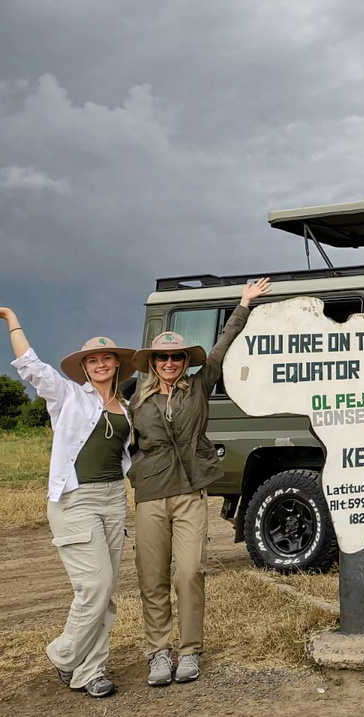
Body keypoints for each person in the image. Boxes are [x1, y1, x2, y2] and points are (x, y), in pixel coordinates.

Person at [0, 302, 135, 698]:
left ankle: (90, 672)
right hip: (75, 500)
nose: (99, 364)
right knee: (94, 586)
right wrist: (12, 320)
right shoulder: (67, 396)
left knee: (105, 589)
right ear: (84, 367)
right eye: (92, 360)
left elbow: (136, 455)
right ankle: (64, 655)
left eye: (106, 358)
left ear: (117, 364)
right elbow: (30, 365)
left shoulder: (128, 408)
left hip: (114, 498)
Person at [129, 277, 271, 686]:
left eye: (175, 358)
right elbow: (117, 439)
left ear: (184, 361)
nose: (169, 364)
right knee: (151, 577)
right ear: (153, 363)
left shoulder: (199, 385)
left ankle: (189, 650)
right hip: (150, 496)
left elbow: (223, 344)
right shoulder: (137, 398)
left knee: (189, 571)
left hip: (190, 493)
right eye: (162, 359)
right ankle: (158, 652)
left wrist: (243, 304)